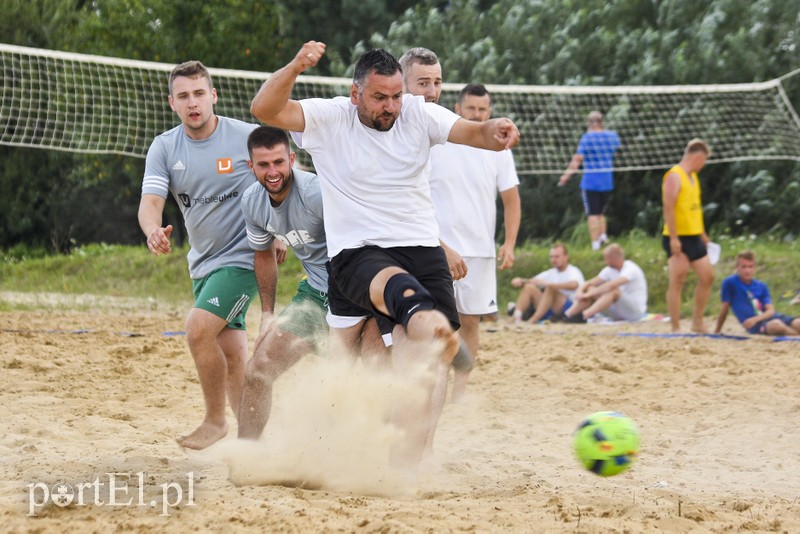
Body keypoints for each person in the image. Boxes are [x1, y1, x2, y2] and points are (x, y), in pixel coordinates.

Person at [249, 41, 520, 468]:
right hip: (358, 251)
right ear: (356, 93)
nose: (390, 106)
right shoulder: (330, 117)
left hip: (421, 246)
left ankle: (410, 464)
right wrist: (297, 66)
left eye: (396, 96)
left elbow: (471, 133)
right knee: (356, 348)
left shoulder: (418, 113)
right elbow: (265, 109)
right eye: (379, 97)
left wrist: (495, 131)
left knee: (424, 362)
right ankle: (319, 444)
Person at [237, 126, 389, 440]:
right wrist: (267, 313)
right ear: (250, 167)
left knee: (383, 377)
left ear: (292, 159)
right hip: (316, 295)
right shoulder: (252, 202)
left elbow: (368, 242)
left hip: (362, 296)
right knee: (257, 371)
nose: (273, 172)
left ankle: (390, 458)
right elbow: (263, 255)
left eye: (279, 162)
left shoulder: (316, 194)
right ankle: (245, 459)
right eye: (263, 165)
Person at [138, 60, 260, 450]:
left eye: (199, 93)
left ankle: (214, 420)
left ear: (213, 96)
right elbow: (151, 201)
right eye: (184, 96)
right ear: (172, 102)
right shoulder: (165, 146)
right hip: (203, 263)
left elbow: (286, 180)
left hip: (245, 258)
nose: (193, 103)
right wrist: (152, 230)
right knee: (233, 357)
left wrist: (279, 233)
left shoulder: (246, 137)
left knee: (197, 329)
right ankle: (256, 442)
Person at [401, 48, 520, 401]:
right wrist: (437, 242)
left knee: (470, 322)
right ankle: (431, 384)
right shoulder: (436, 137)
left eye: (484, 111)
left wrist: (509, 243)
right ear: (459, 109)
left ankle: (460, 392)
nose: (478, 114)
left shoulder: (499, 149)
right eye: (472, 109)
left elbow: (511, 200)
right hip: (436, 246)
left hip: (479, 249)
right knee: (431, 321)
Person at [662, 138, 715, 333]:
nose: (703, 165)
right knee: (678, 278)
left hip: (693, 235)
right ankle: (675, 326)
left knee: (708, 276)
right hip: (677, 236)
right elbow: (669, 207)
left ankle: (697, 322)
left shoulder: (693, 177)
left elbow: (693, 208)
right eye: (703, 160)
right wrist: (674, 238)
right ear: (696, 156)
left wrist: (702, 233)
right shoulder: (674, 176)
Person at [558, 111, 621, 250]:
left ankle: (595, 245)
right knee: (601, 213)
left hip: (591, 183)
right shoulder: (612, 136)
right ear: (602, 122)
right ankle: (603, 237)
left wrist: (565, 176)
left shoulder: (587, 138)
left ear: (589, 123)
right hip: (607, 181)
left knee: (593, 214)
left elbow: (577, 159)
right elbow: (617, 150)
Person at [714, 250, 800, 336]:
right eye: (744, 267)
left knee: (797, 323)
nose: (747, 270)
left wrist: (755, 319)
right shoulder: (730, 283)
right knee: (777, 326)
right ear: (737, 267)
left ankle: (793, 333)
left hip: (768, 317)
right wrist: (717, 330)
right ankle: (795, 334)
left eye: (750, 266)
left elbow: (770, 310)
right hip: (758, 326)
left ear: (755, 268)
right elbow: (724, 308)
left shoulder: (761, 286)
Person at [561, 243, 647, 323]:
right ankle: (567, 315)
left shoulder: (631, 269)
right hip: (618, 312)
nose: (605, 261)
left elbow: (611, 285)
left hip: (635, 313)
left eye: (606, 258)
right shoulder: (609, 270)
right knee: (590, 288)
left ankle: (583, 316)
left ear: (613, 258)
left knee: (613, 290)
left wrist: (588, 294)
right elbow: (589, 283)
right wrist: (580, 292)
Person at [509, 243, 584, 324]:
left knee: (550, 288)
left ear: (566, 257)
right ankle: (516, 317)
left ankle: (532, 320)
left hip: (568, 308)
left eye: (557, 257)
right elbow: (534, 281)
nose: (554, 260)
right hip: (548, 307)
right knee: (528, 287)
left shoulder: (573, 271)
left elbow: (574, 285)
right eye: (551, 257)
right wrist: (521, 281)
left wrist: (549, 285)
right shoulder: (550, 273)